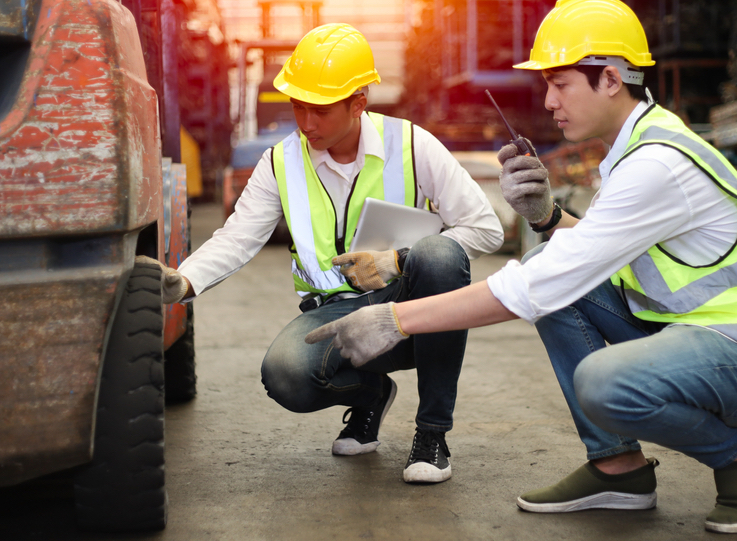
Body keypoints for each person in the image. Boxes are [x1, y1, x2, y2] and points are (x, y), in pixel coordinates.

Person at [304, 0, 737, 533]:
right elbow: (590, 251)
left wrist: (396, 321)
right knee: (549, 257)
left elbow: (536, 288)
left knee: (602, 381)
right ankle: (618, 469)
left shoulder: (656, 164)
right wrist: (547, 216)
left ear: (611, 79)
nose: (548, 101)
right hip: (696, 333)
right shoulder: (634, 146)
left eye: (560, 84)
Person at [146, 23, 503, 484]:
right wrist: (185, 279)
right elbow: (238, 237)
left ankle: (432, 433)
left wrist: (396, 260)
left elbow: (485, 228)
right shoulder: (280, 161)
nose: (306, 123)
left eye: (320, 110)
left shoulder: (413, 145)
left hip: (409, 310)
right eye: (297, 106)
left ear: (359, 103)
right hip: (335, 314)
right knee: (286, 374)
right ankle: (371, 395)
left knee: (438, 255)